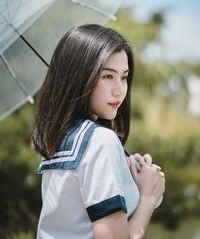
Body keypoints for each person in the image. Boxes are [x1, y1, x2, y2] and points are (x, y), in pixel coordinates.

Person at [32, 24, 165, 239]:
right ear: (79, 77)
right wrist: (148, 199)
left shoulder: (59, 138)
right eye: (107, 76)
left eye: (124, 77)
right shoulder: (100, 140)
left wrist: (133, 181)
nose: (119, 90)